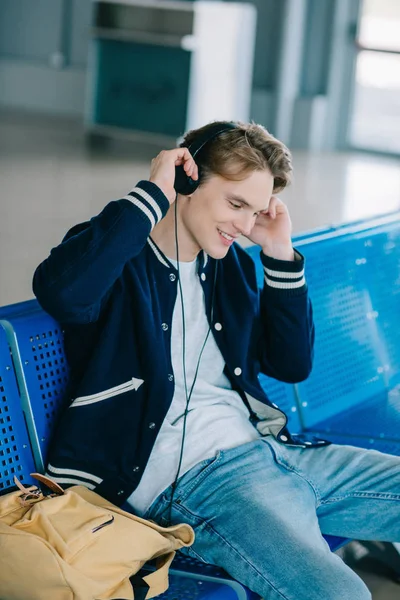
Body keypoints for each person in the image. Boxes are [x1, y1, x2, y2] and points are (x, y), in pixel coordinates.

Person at [33, 121, 400, 600]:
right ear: (186, 182)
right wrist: (153, 192)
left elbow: (291, 365)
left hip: (277, 453)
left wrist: (278, 253)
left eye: (254, 209)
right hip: (200, 486)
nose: (245, 226)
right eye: (235, 204)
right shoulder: (118, 259)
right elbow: (63, 294)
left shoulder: (227, 267)